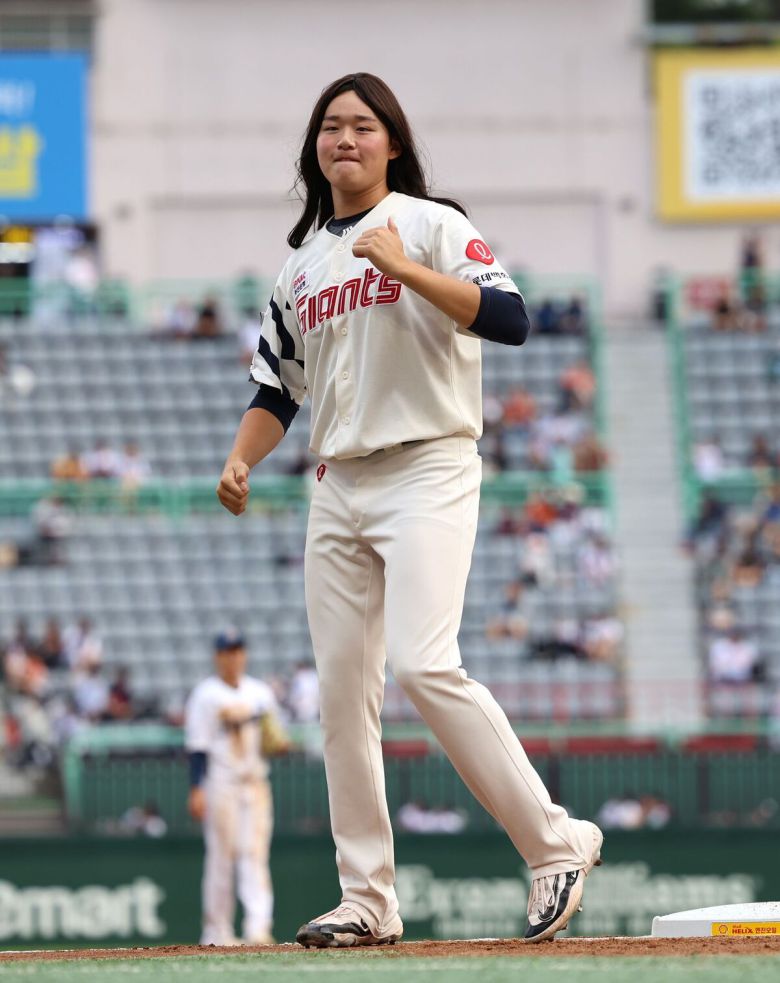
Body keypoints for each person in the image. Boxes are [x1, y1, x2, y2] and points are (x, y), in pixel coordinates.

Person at [216, 72, 602, 948]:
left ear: (392, 143)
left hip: (428, 464)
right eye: (330, 127)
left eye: (362, 125)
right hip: (337, 481)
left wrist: (407, 268)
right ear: (315, 150)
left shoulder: (433, 224)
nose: (344, 138)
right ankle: (368, 897)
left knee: (427, 665)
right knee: (343, 696)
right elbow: (276, 387)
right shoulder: (301, 266)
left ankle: (554, 843)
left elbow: (510, 319)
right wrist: (241, 457)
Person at [184, 630, 288, 947]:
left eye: (238, 650)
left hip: (254, 782)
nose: (234, 656)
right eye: (228, 651)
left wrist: (278, 741)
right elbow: (197, 747)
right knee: (221, 856)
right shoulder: (205, 694)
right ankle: (217, 931)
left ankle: (258, 928)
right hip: (221, 782)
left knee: (254, 855)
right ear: (218, 656)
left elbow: (276, 739)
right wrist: (196, 788)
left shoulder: (259, 693)